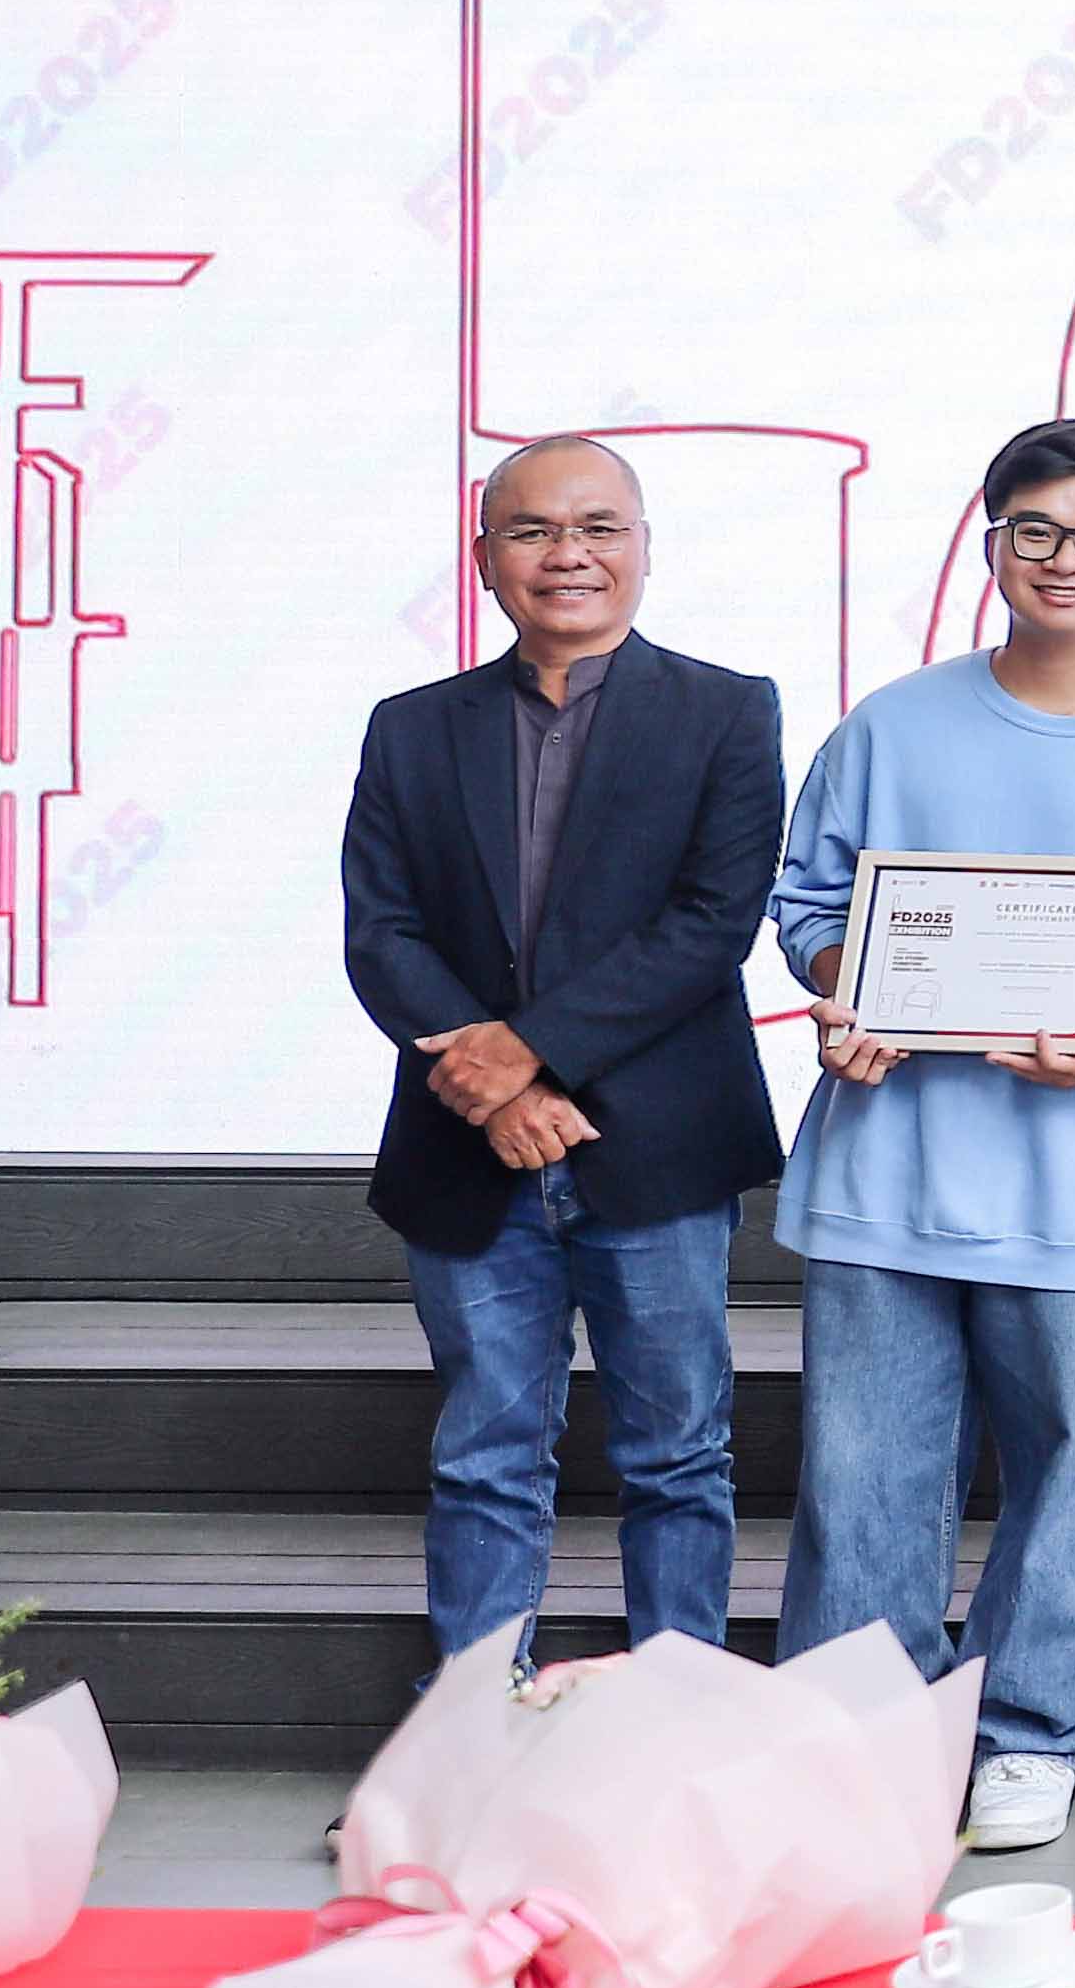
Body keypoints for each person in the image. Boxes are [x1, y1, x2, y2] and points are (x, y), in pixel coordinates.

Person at [770, 418, 1075, 1853]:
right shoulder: (891, 727)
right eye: (1036, 530)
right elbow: (812, 907)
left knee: (1067, 1471)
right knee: (862, 1483)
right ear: (991, 545)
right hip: (890, 1168)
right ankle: (859, 1733)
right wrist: (851, 988)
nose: (1068, 558)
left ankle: (1031, 1731)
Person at [334, 437, 782, 1664]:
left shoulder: (726, 711)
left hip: (658, 1148)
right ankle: (476, 1720)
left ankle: (676, 1712)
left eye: (598, 527)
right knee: (483, 1455)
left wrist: (526, 1055)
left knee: (677, 1456)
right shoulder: (412, 728)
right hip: (464, 1152)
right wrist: (495, 1098)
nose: (567, 554)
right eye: (531, 530)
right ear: (485, 558)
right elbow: (382, 933)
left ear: (643, 548)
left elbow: (711, 925)